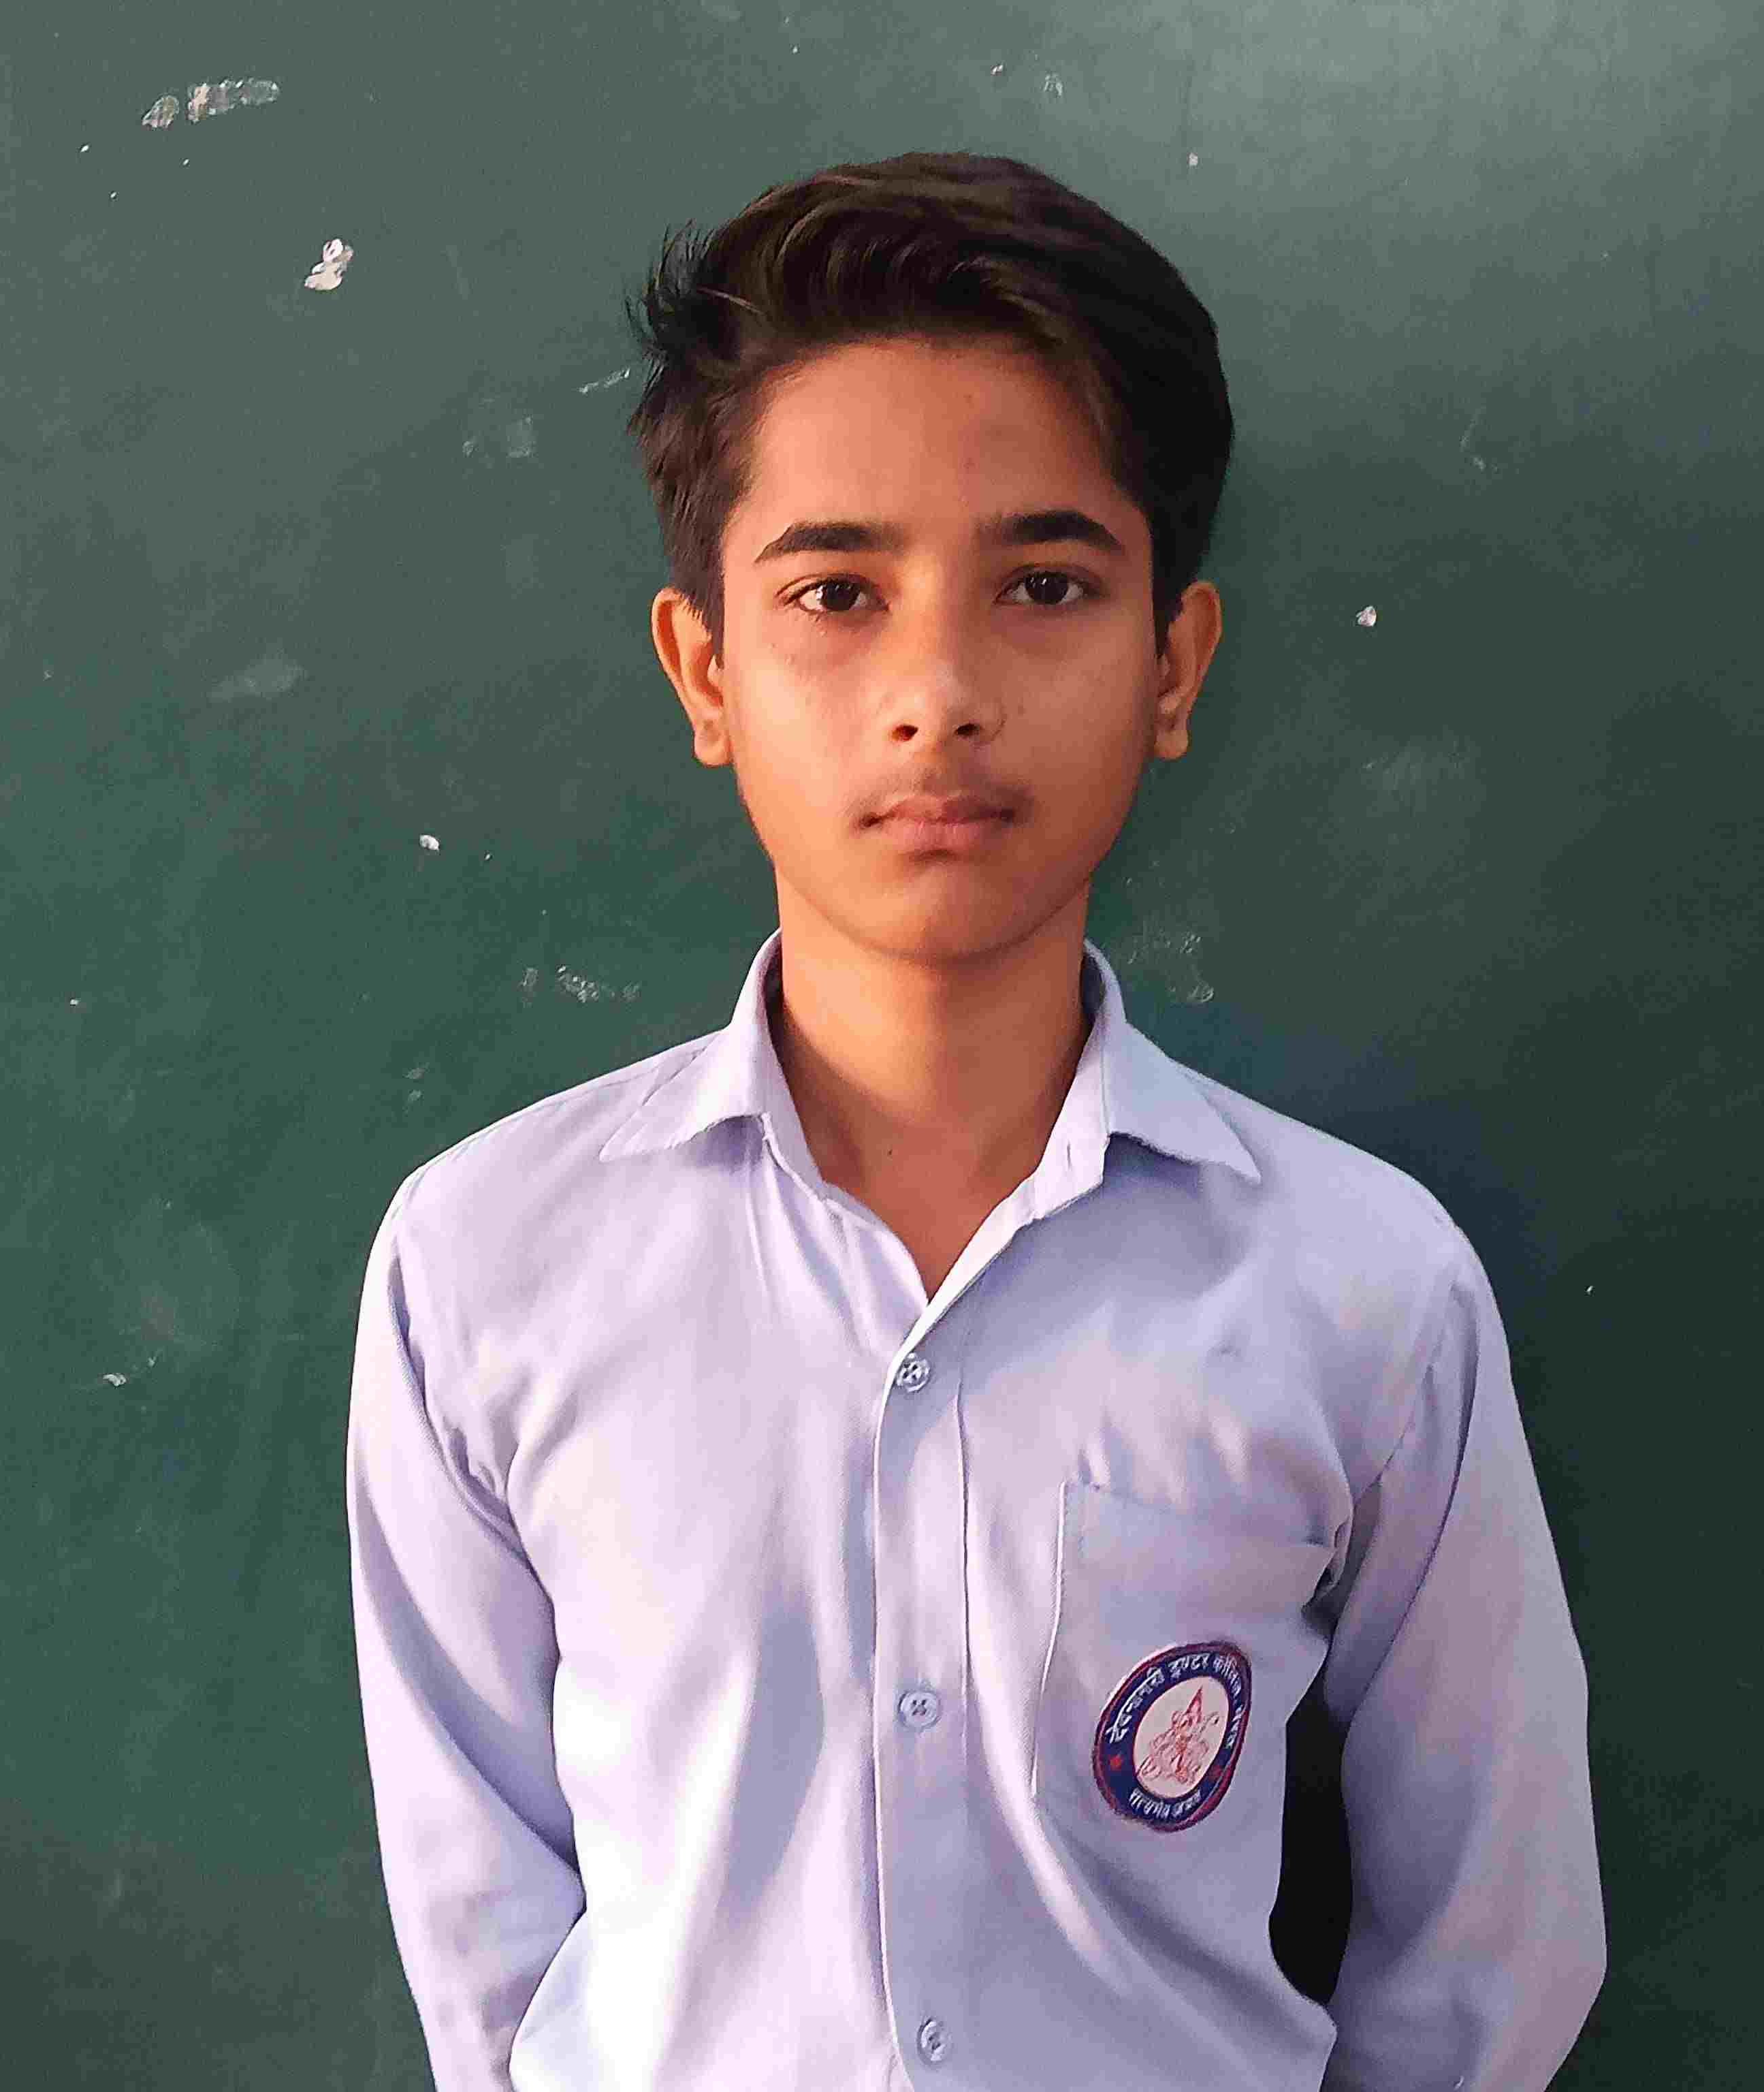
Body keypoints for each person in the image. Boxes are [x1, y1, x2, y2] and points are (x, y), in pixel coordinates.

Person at [346, 148, 1606, 2091]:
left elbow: (1491, 1944)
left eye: (1044, 586)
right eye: (836, 594)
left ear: (1173, 664)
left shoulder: (1359, 1288)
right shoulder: (488, 1264)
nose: (935, 691)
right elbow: (481, 1929)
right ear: (704, 671)